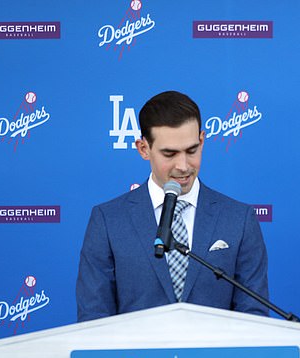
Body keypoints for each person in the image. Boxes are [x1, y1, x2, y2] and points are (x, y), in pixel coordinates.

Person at [77, 90, 269, 321]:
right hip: (135, 357)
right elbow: (94, 320)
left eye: (192, 150)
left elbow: (253, 319)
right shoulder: (108, 221)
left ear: (202, 140)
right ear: (143, 149)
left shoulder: (239, 219)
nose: (183, 166)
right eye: (169, 154)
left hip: (215, 356)